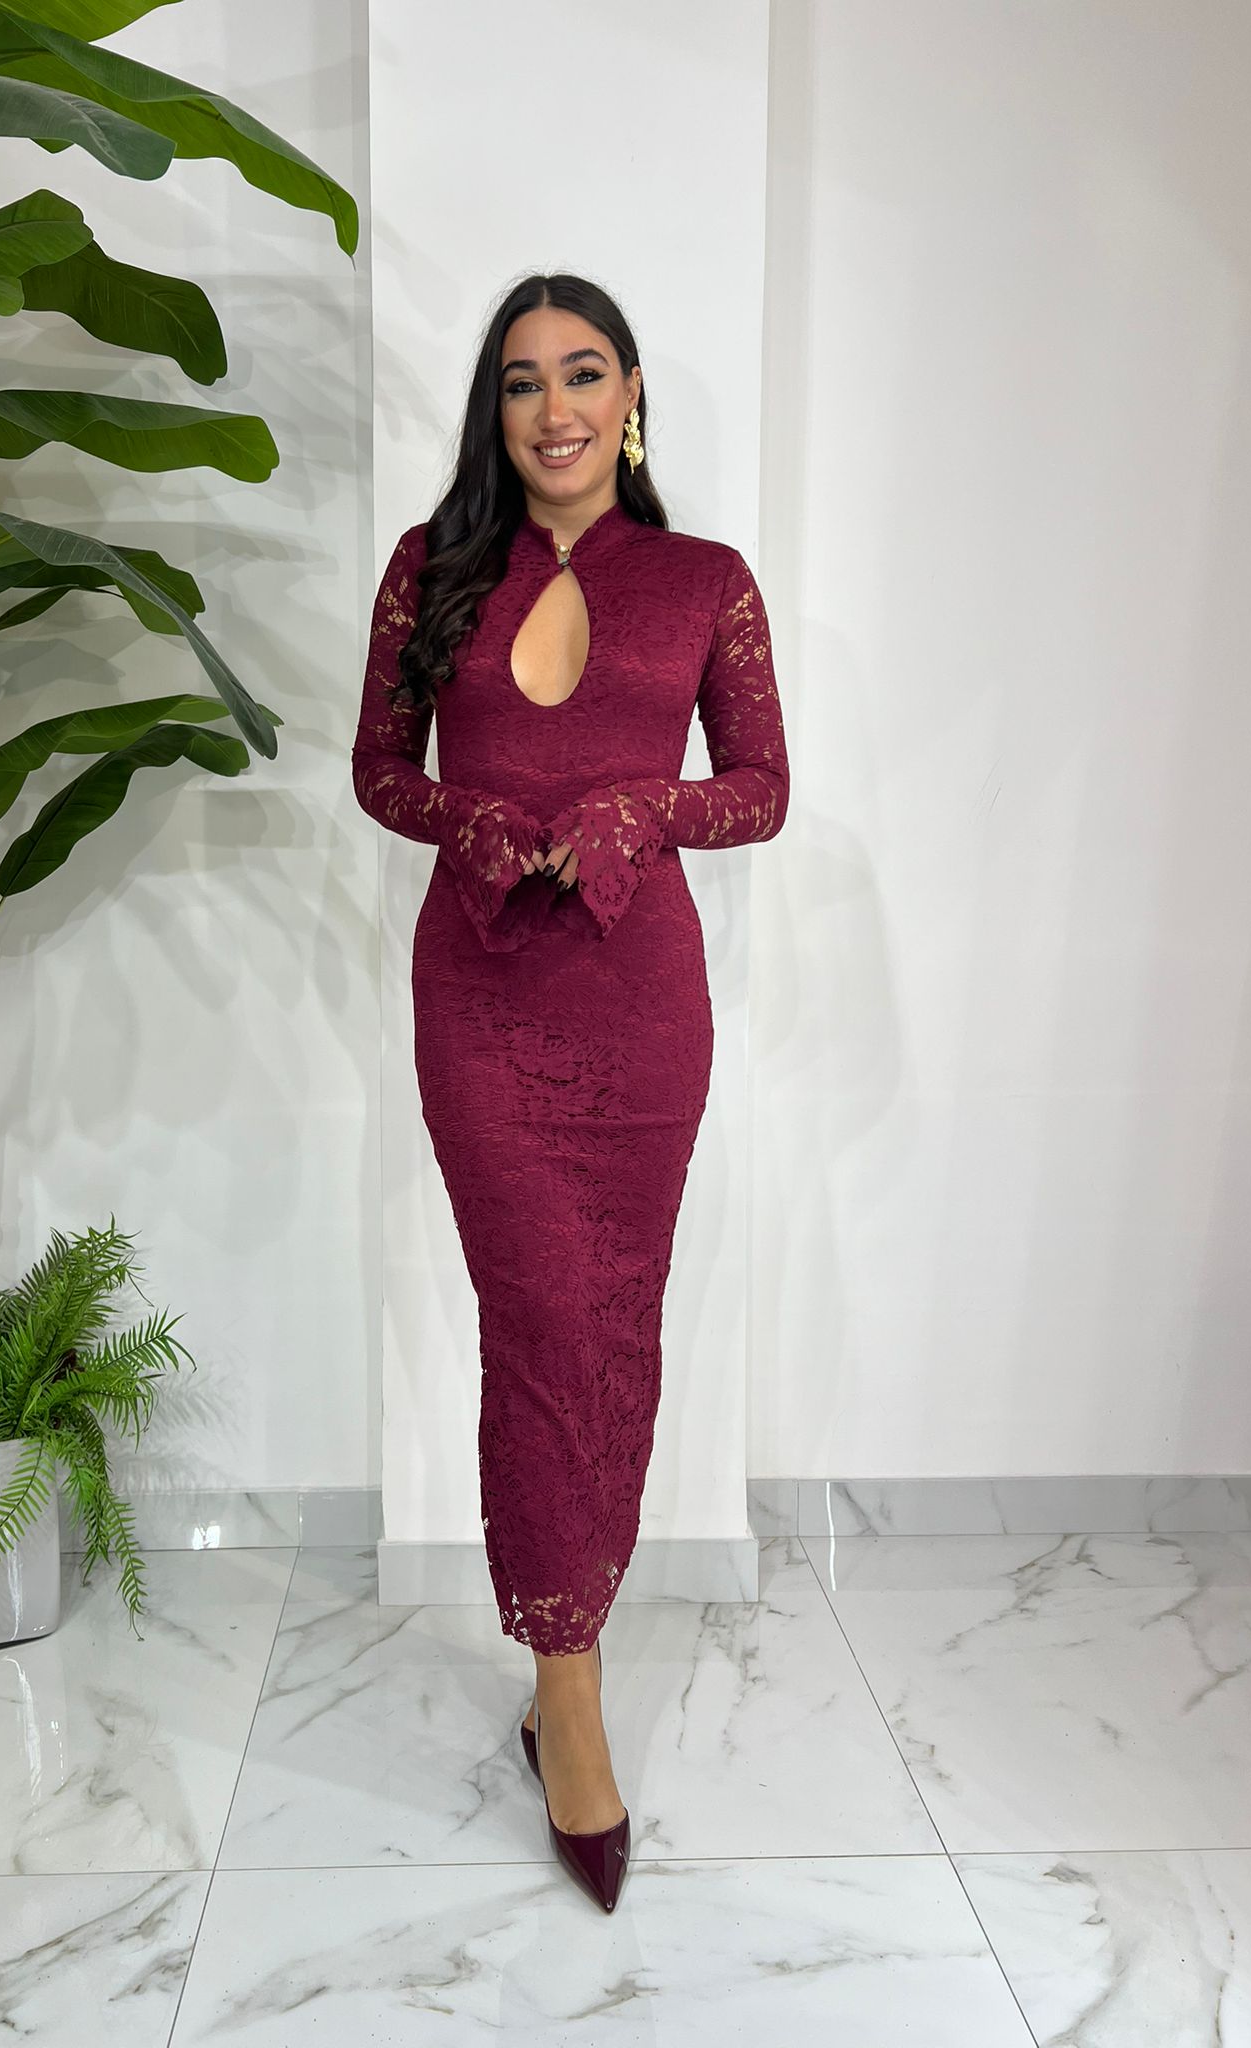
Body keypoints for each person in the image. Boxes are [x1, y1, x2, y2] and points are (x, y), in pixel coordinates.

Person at [350, 273, 790, 1911]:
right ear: (497, 409)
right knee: (537, 1321)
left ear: (632, 396)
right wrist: (460, 816)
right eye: (524, 380)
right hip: (479, 1000)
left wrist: (639, 811)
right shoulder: (433, 567)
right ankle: (571, 1687)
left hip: (641, 1010)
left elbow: (763, 787)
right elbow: (377, 767)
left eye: (584, 374)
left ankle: (568, 1645)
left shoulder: (705, 582)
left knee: (614, 1326)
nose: (555, 409)